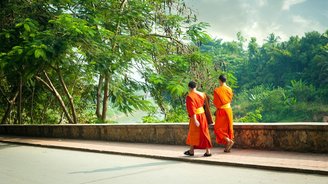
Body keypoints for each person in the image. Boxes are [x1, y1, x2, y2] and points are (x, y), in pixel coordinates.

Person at [184, 81, 212, 157]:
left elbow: (191, 109)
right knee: (204, 132)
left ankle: (192, 151)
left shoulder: (190, 96)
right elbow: (206, 105)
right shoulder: (203, 94)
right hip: (203, 115)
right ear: (196, 86)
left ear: (189, 87)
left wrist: (195, 120)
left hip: (195, 116)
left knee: (193, 133)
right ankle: (207, 151)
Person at [213, 75, 234, 152]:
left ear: (219, 80)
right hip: (228, 110)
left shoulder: (217, 90)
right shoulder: (229, 89)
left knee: (218, 129)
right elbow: (230, 99)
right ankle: (227, 147)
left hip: (221, 111)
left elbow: (216, 102)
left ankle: (228, 141)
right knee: (228, 128)